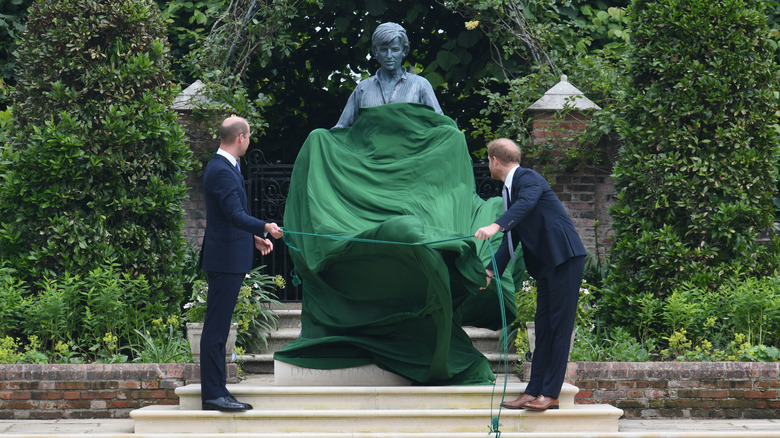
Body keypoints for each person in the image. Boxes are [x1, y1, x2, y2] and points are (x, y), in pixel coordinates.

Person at [474, 138, 586, 411]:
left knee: (558, 328)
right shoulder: (511, 190)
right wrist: (491, 269)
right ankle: (533, 390)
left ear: (494, 160)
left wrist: (496, 224)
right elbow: (514, 237)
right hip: (548, 264)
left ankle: (550, 394)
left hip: (565, 259)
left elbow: (524, 205)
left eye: (488, 160)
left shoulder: (528, 179)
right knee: (544, 327)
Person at [199, 116, 283, 411]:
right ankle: (212, 395)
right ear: (240, 138)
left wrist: (253, 240)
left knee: (220, 328)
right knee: (216, 328)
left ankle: (218, 390)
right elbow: (235, 215)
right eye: (249, 137)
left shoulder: (229, 166)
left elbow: (227, 219)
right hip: (224, 261)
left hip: (230, 256)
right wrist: (266, 228)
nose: (249, 141)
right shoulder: (221, 170)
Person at [333, 22, 443, 129]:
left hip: (411, 146)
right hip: (370, 147)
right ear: (375, 52)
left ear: (404, 51)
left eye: (395, 50)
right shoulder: (363, 88)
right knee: (318, 135)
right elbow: (340, 128)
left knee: (453, 134)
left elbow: (441, 124)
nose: (389, 56)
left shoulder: (420, 85)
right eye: (384, 50)